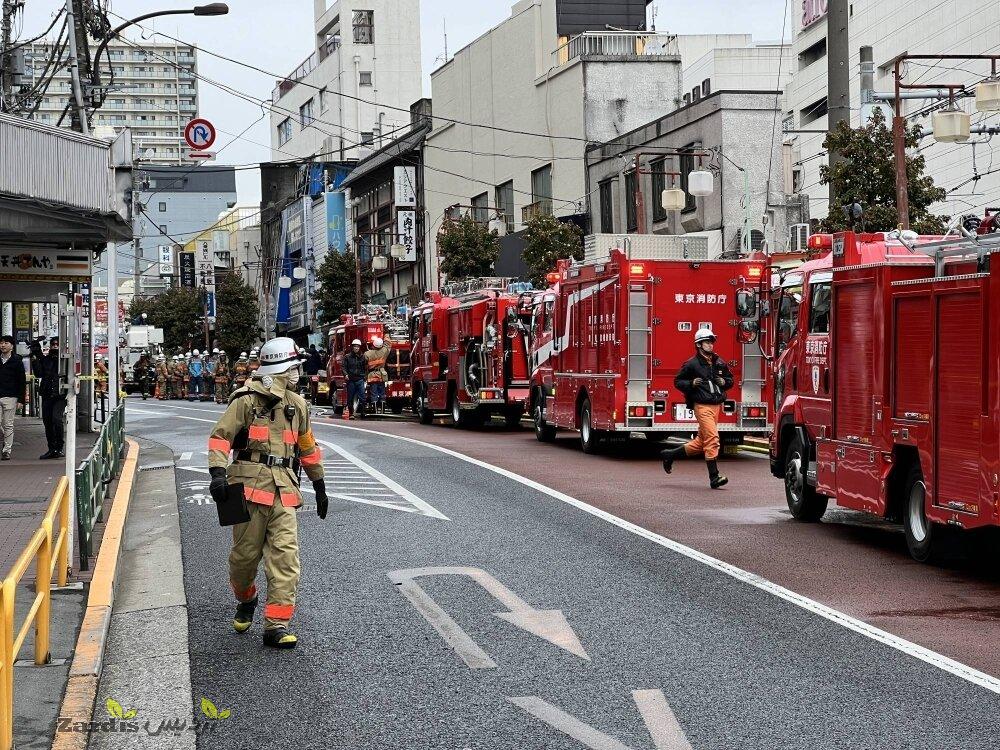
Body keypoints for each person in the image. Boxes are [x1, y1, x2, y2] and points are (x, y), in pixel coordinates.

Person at [207, 337, 328, 649]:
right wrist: (217, 472)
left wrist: (319, 483)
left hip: (285, 488)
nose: (297, 375)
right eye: (293, 369)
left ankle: (276, 625)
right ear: (279, 369)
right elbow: (221, 436)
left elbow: (307, 447)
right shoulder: (245, 401)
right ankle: (247, 599)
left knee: (286, 558)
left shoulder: (298, 405)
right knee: (244, 560)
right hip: (247, 489)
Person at [661, 328, 733, 488]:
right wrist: (691, 384)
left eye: (712, 342)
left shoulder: (719, 362)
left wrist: (725, 382)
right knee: (713, 438)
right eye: (707, 342)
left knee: (702, 442)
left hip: (716, 407)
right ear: (699, 344)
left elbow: (730, 380)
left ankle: (669, 455)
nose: (711, 345)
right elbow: (678, 382)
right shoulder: (691, 364)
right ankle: (714, 477)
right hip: (702, 406)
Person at [34, 337, 65, 460]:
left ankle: (59, 447)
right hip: (47, 394)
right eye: (53, 344)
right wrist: (35, 358)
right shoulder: (46, 359)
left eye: (57, 344)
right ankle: (52, 448)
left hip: (60, 395)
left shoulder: (65, 360)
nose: (55, 346)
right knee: (47, 422)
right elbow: (38, 374)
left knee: (56, 419)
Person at [0, 336, 26, 461]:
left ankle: (6, 450)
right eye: (1, 343)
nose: (3, 345)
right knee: (3, 424)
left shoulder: (17, 361)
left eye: (6, 343)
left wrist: (21, 399)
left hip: (10, 396)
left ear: (12, 346)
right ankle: (6, 440)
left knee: (8, 424)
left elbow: (21, 381)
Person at [341, 339, 367, 419]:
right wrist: (345, 375)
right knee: (350, 398)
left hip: (360, 379)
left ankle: (363, 412)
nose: (356, 348)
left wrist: (365, 377)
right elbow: (343, 367)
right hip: (351, 380)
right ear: (352, 347)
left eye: (358, 347)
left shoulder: (363, 357)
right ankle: (351, 414)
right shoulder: (347, 357)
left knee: (362, 397)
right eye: (355, 346)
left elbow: (366, 367)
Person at [365, 336, 390, 414]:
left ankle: (375, 410)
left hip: (372, 375)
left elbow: (364, 364)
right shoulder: (384, 351)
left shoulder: (367, 354)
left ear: (373, 345)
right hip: (381, 375)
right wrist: (386, 335)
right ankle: (382, 411)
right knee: (382, 393)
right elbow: (388, 344)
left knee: (374, 393)